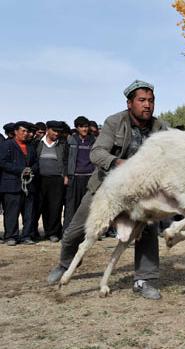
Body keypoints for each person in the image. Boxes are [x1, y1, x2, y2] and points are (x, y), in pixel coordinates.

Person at [47, 80, 167, 300]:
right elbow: (97, 153)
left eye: (151, 100)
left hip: (141, 194)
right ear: (130, 103)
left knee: (147, 233)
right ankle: (65, 264)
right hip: (106, 188)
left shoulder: (161, 127)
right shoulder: (114, 122)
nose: (147, 105)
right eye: (142, 100)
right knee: (75, 231)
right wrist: (118, 163)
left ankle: (144, 279)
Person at [0, 121, 38, 245]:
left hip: (29, 185)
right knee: (11, 212)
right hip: (11, 184)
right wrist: (21, 170)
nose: (26, 134)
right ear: (16, 132)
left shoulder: (31, 147)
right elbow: (3, 162)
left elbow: (36, 163)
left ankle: (26, 236)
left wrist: (31, 170)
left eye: (27, 131)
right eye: (23, 131)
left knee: (29, 212)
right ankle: (11, 236)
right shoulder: (7, 145)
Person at [35, 121, 68, 242]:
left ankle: (53, 233)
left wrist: (65, 176)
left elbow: (65, 161)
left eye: (59, 131)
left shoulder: (62, 144)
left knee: (55, 206)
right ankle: (36, 232)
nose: (57, 133)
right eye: (54, 131)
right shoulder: (37, 143)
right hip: (40, 179)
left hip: (57, 179)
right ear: (47, 130)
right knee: (40, 206)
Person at [63, 116, 96, 235]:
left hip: (90, 177)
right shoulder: (71, 140)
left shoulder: (93, 140)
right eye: (82, 126)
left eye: (86, 126)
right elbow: (65, 159)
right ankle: (68, 232)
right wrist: (66, 175)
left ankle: (88, 233)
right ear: (77, 128)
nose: (84, 129)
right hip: (74, 177)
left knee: (88, 206)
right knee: (71, 206)